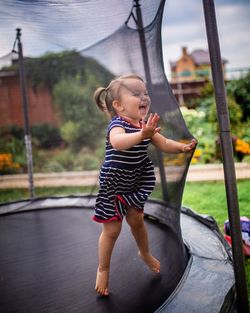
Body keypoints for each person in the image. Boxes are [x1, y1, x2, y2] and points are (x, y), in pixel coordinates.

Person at [93, 74, 197, 296]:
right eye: (136, 94)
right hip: (113, 184)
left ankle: (145, 252)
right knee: (112, 229)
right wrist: (142, 134)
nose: (144, 97)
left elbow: (164, 142)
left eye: (146, 93)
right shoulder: (117, 124)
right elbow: (118, 143)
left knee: (137, 221)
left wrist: (181, 148)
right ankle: (103, 268)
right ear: (118, 106)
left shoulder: (144, 125)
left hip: (134, 182)